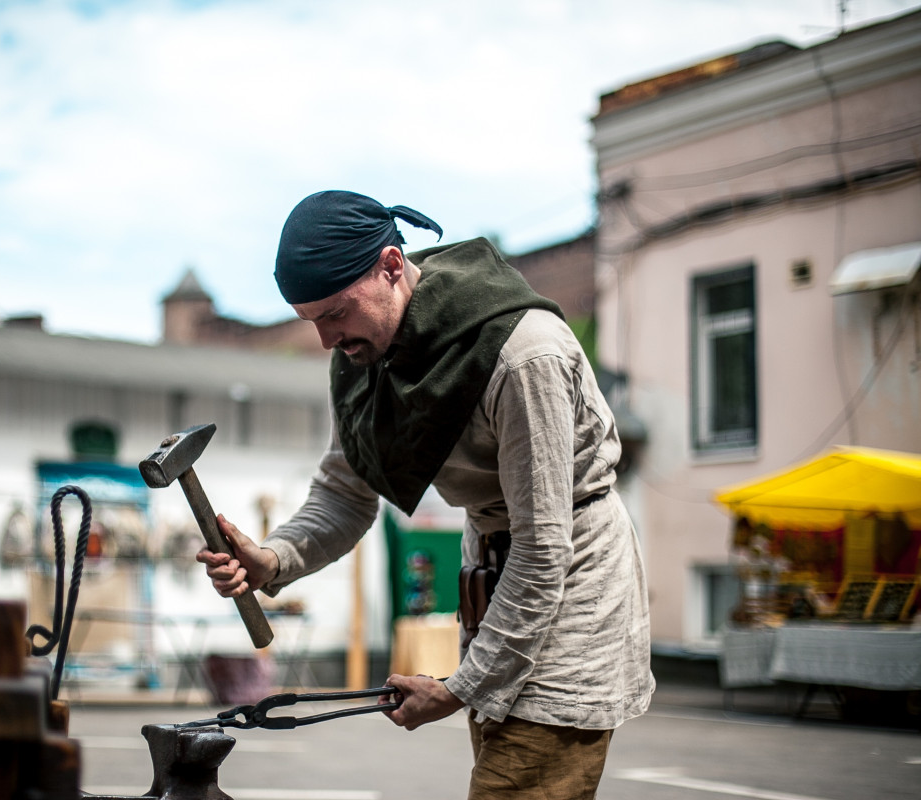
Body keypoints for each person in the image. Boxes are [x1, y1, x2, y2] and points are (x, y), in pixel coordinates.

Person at [197, 190, 654, 799]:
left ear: (391, 266)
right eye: (313, 321)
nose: (329, 339)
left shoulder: (521, 355)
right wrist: (274, 559)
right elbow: (346, 490)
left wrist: (461, 686)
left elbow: (545, 548)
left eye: (336, 312)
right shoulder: (369, 356)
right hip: (493, 575)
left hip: (571, 587)